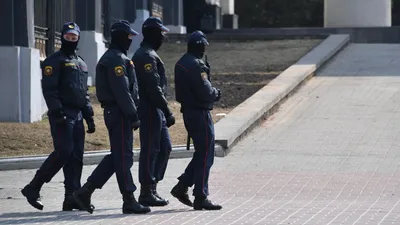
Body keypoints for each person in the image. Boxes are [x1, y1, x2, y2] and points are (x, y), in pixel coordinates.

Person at [72, 20, 150, 214]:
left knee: (118, 156)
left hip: (118, 111)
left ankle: (85, 191)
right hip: (120, 112)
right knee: (123, 157)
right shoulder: (116, 59)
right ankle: (129, 199)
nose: (130, 40)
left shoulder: (119, 57)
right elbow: (122, 91)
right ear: (121, 38)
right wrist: (133, 115)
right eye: (128, 37)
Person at [21, 22, 96, 211]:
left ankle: (72, 196)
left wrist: (89, 115)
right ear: (62, 37)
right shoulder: (54, 60)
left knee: (76, 156)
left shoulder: (81, 62)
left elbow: (83, 92)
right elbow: (50, 89)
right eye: (68, 36)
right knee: (64, 151)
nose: (71, 39)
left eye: (74, 37)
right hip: (63, 114)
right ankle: (33, 187)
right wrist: (57, 112)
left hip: (78, 115)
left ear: (78, 38)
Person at [171, 30, 222, 210]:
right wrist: (217, 93)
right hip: (200, 113)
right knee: (206, 155)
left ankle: (182, 185)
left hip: (189, 112)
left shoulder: (181, 63)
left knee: (202, 153)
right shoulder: (196, 65)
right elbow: (206, 91)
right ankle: (200, 195)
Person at [131, 17, 175, 207]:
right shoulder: (145, 56)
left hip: (156, 109)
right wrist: (167, 110)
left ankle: (153, 186)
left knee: (164, 147)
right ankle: (146, 191)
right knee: (150, 150)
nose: (162, 38)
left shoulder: (150, 54)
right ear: (152, 34)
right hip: (150, 109)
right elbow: (153, 87)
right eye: (160, 34)